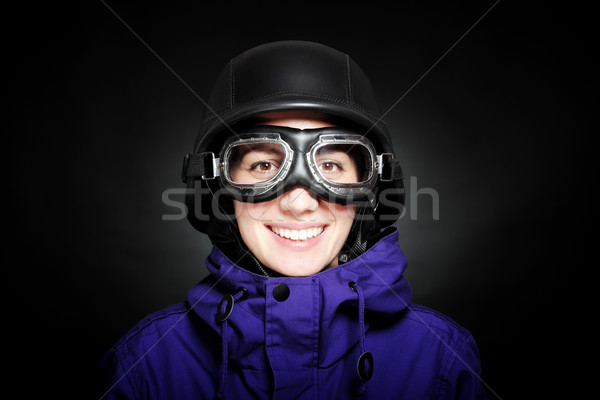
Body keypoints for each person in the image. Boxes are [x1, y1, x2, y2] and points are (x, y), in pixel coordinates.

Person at [97, 40, 488, 399]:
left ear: (372, 189)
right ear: (214, 187)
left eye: (331, 165)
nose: (299, 203)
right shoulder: (144, 366)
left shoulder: (442, 359)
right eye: (265, 165)